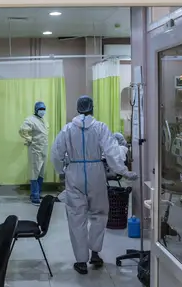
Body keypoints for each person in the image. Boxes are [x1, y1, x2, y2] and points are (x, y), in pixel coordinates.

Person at [51, 95, 139, 275]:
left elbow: (55, 152)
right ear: (92, 108)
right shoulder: (100, 128)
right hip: (96, 172)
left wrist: (62, 170)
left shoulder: (67, 129)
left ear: (77, 108)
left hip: (74, 172)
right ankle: (95, 253)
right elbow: (112, 153)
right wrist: (124, 172)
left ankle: (81, 262)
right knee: (99, 213)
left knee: (76, 217)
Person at [19, 101, 49, 205]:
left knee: (41, 173)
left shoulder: (43, 120)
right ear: (36, 110)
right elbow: (22, 130)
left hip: (43, 149)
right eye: (40, 109)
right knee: (35, 173)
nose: (42, 111)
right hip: (35, 150)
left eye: (44, 109)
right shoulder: (30, 120)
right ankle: (34, 196)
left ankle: (37, 193)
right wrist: (30, 139)